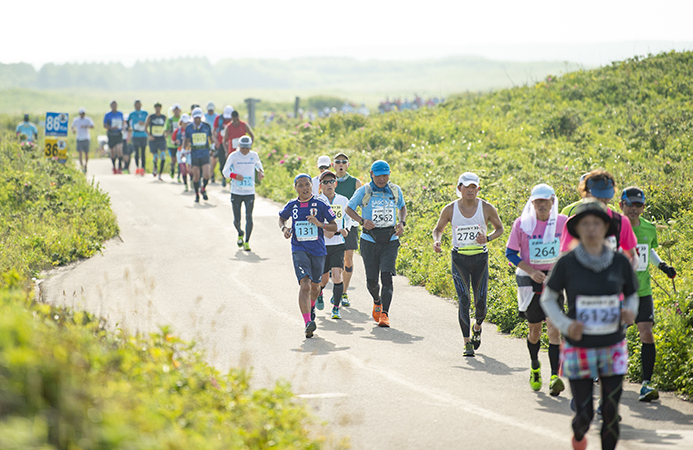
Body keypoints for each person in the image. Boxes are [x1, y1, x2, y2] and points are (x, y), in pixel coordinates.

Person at [540, 199, 639, 450]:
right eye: (586, 224)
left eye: (597, 223)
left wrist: (630, 312)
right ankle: (579, 437)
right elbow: (548, 298)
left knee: (610, 412)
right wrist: (564, 324)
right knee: (583, 415)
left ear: (606, 228)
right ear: (577, 229)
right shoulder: (567, 262)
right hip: (579, 346)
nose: (592, 228)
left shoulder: (619, 262)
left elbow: (631, 294)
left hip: (613, 344)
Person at [432, 172, 504, 356]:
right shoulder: (450, 209)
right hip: (459, 259)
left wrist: (487, 238)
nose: (470, 190)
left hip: (480, 259)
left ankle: (477, 326)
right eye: (467, 187)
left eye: (474, 187)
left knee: (481, 303)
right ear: (459, 188)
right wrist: (437, 241)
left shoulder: (486, 208)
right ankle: (466, 343)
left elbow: (500, 228)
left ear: (478, 189)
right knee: (464, 299)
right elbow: (438, 229)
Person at [505, 184, 568, 394]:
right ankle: (534, 366)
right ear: (532, 203)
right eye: (537, 201)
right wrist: (531, 271)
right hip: (529, 281)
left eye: (545, 201)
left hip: (554, 280)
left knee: (554, 329)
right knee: (535, 331)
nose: (542, 205)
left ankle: (554, 377)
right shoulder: (522, 224)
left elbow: (571, 247)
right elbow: (511, 253)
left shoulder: (563, 223)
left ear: (552, 202)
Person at [619, 187, 677, 402]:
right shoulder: (613, 228)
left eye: (638, 205)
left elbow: (648, 249)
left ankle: (646, 384)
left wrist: (662, 265)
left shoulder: (649, 228)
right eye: (629, 205)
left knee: (647, 333)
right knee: (616, 336)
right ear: (621, 205)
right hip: (618, 293)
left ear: (643, 207)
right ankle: (606, 373)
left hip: (642, 291)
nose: (634, 209)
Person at [346, 160, 407, 328]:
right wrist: (362, 221)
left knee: (387, 276)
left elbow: (402, 207)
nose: (382, 179)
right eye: (379, 176)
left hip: (390, 239)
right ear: (371, 174)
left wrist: (401, 223)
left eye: (385, 175)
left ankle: (385, 314)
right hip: (369, 240)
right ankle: (377, 301)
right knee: (372, 281)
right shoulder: (364, 191)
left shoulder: (394, 190)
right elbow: (349, 208)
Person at [278, 174, 338, 338]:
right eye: (301, 185)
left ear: (312, 186)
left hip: (318, 250)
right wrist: (284, 229)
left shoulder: (320, 204)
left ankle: (311, 307)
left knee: (315, 286)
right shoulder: (292, 205)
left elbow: (334, 226)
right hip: (299, 248)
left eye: (307, 185)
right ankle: (307, 323)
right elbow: (282, 218)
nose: (305, 188)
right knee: (304, 284)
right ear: (295, 188)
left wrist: (320, 224)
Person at [559, 170, 637, 263]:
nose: (601, 200)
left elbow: (632, 256)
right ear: (586, 193)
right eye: (597, 196)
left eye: (605, 196)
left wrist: (628, 273)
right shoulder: (573, 223)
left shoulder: (621, 222)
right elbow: (565, 258)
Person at [316, 171, 351, 319]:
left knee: (337, 276)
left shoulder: (343, 200)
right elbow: (312, 221)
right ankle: (319, 292)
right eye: (325, 182)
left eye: (331, 181)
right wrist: (323, 230)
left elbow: (349, 217)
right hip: (322, 244)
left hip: (337, 242)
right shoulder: (317, 201)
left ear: (335, 184)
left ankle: (336, 308)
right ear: (320, 186)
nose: (329, 184)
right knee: (324, 279)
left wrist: (346, 229)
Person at [222, 136, 265, 251]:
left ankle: (247, 242)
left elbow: (258, 164)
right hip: (236, 191)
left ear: (250, 147)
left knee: (249, 217)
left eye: (247, 148)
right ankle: (240, 232)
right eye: (243, 148)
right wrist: (235, 176)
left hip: (249, 191)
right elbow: (225, 171)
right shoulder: (234, 156)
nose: (245, 151)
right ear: (239, 146)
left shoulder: (254, 155)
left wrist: (260, 172)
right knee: (237, 219)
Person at [333, 152, 362, 307]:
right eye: (338, 162)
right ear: (333, 165)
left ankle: (344, 293)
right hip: (332, 227)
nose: (341, 164)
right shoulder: (329, 182)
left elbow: (364, 202)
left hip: (350, 226)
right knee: (332, 261)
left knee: (348, 260)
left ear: (348, 165)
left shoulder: (356, 183)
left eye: (344, 162)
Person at [183, 107, 213, 203]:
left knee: (207, 174)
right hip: (195, 154)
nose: (197, 120)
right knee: (196, 176)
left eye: (199, 118)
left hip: (205, 153)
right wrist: (183, 151)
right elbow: (186, 140)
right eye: (195, 118)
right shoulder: (189, 128)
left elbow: (210, 138)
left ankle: (203, 188)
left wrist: (212, 147)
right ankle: (196, 194)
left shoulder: (206, 126)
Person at [145, 103, 168, 180]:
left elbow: (167, 127)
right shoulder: (151, 117)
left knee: (163, 156)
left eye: (159, 107)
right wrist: (149, 135)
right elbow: (145, 128)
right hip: (154, 139)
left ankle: (160, 174)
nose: (158, 109)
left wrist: (166, 134)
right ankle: (155, 167)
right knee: (155, 156)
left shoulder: (164, 117)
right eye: (156, 107)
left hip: (161, 139)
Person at [214, 105, 234, 187]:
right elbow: (214, 130)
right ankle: (223, 177)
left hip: (231, 144)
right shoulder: (219, 119)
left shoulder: (234, 120)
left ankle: (232, 179)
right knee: (222, 161)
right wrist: (215, 141)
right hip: (221, 143)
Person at [128, 100, 148, 176]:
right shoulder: (132, 114)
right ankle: (137, 168)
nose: (138, 106)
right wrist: (129, 128)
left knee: (143, 152)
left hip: (143, 134)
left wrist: (144, 124)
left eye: (139, 104)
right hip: (135, 134)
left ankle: (143, 168)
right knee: (136, 152)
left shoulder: (145, 113)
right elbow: (127, 123)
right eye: (136, 105)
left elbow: (149, 122)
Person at [103, 101, 124, 174]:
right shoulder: (108, 115)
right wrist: (111, 127)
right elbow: (105, 125)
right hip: (111, 134)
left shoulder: (120, 114)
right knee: (113, 152)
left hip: (119, 134)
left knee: (119, 150)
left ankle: (120, 167)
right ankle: (114, 166)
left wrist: (123, 127)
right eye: (113, 105)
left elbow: (123, 123)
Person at [71, 108, 94, 173]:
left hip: (86, 138)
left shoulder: (87, 119)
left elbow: (92, 126)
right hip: (79, 138)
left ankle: (85, 165)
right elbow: (72, 127)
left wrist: (86, 126)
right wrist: (73, 131)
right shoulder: (76, 120)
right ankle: (82, 166)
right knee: (80, 153)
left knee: (86, 153)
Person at [173, 114, 191, 191]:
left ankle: (192, 181)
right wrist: (175, 142)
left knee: (190, 169)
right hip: (181, 152)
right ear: (181, 122)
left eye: (187, 123)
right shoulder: (178, 131)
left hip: (189, 151)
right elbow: (172, 140)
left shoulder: (191, 130)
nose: (186, 124)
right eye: (184, 123)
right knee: (183, 169)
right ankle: (186, 184)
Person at [165, 104, 182, 181]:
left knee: (180, 160)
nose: (176, 111)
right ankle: (172, 169)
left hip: (180, 143)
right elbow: (166, 130)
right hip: (171, 143)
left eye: (177, 110)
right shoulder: (170, 120)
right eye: (175, 110)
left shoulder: (182, 120)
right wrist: (172, 134)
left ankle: (179, 175)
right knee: (173, 159)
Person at [204, 102, 219, 184]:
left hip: (214, 138)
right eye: (209, 110)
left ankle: (212, 173)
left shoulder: (217, 116)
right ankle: (208, 173)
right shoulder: (204, 116)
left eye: (211, 110)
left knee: (213, 158)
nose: (210, 112)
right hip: (205, 139)